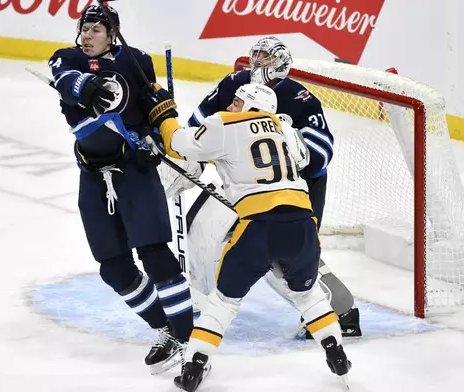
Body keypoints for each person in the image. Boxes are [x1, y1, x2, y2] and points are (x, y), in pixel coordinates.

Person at [141, 83, 352, 392]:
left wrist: (164, 112)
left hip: (257, 227)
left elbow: (177, 143)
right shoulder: (286, 126)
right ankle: (336, 354)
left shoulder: (224, 124)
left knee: (223, 302)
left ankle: (194, 368)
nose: (232, 105)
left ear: (251, 106)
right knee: (307, 296)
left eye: (238, 101)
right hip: (303, 223)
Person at [162, 36, 361, 338]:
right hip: (246, 188)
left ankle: (341, 311)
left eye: (266, 57)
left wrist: (291, 149)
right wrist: (189, 161)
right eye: (255, 55)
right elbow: (200, 128)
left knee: (284, 256)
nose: (257, 62)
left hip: (296, 190)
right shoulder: (235, 84)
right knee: (200, 225)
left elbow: (322, 152)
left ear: (280, 62)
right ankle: (197, 300)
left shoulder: (298, 97)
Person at [47, 4, 193, 374]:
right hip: (94, 177)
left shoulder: (137, 61)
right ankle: (165, 329)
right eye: (84, 29)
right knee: (112, 268)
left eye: (96, 29)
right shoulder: (67, 59)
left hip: (134, 171)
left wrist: (162, 138)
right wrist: (87, 87)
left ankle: (189, 341)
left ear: (113, 33)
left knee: (156, 257)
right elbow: (66, 82)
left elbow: (153, 102)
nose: (87, 35)